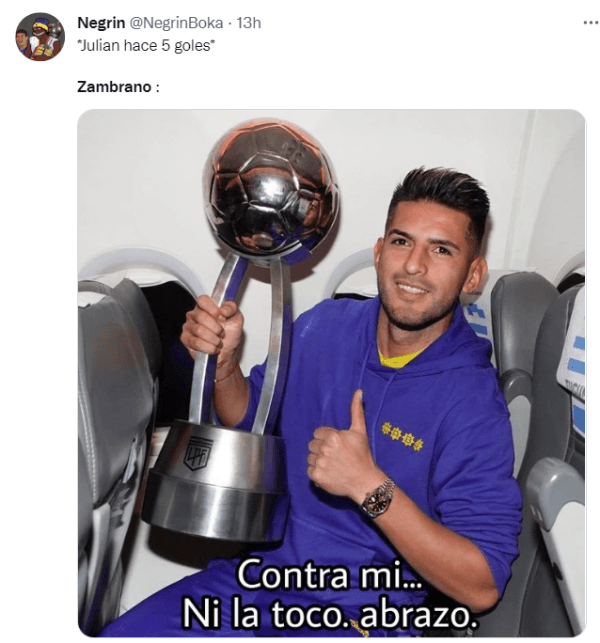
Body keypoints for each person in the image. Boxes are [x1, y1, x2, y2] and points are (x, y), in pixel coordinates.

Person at [101, 167, 522, 637]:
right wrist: (222, 366)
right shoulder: (325, 326)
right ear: (379, 252)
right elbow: (251, 418)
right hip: (254, 583)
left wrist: (369, 486)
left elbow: (482, 585)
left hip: (360, 615)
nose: (413, 266)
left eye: (441, 249)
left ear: (472, 274)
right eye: (402, 242)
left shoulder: (473, 404)